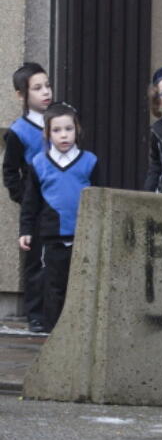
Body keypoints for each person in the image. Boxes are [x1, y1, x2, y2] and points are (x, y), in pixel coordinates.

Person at [19, 103, 97, 332]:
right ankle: (55, 331)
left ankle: (79, 330)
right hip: (51, 237)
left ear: (77, 130)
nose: (64, 135)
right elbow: (30, 203)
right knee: (53, 285)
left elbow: (99, 197)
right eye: (57, 130)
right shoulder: (39, 163)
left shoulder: (90, 162)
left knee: (82, 284)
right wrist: (26, 231)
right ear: (47, 133)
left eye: (68, 129)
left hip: (82, 235)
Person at [3, 62, 53, 332]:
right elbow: (10, 173)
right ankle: (35, 314)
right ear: (21, 95)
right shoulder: (18, 132)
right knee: (37, 261)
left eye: (47, 85)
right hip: (37, 207)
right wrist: (27, 200)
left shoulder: (60, 120)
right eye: (37, 88)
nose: (46, 92)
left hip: (63, 204)